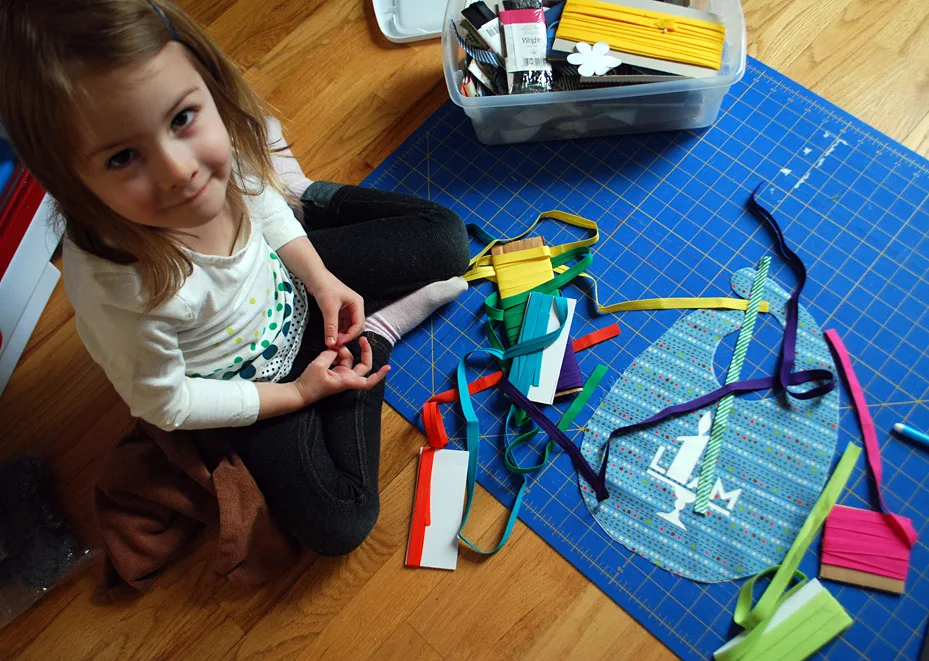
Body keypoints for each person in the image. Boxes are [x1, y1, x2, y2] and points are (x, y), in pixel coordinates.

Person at [0, 0, 470, 556]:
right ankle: (376, 332)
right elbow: (168, 404)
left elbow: (259, 200)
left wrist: (320, 278)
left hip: (292, 286)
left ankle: (306, 195)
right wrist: (296, 394)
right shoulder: (120, 288)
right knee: (339, 523)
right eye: (124, 157)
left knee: (446, 239)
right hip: (254, 379)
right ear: (72, 183)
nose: (180, 172)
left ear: (210, 87)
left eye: (181, 119)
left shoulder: (219, 149)